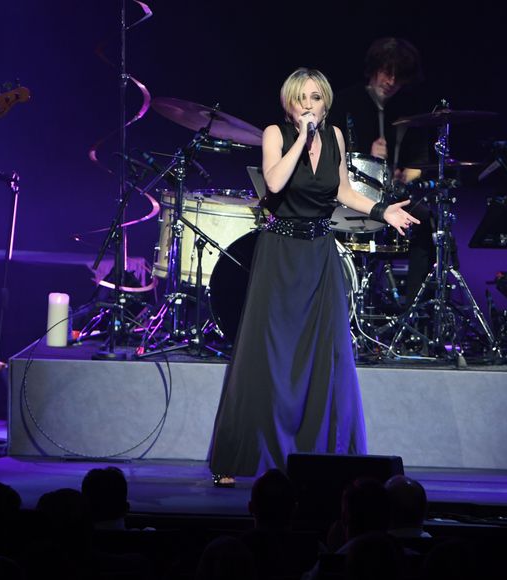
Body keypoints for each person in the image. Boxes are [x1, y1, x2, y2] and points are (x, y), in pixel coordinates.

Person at [208, 67, 419, 486]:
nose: (309, 105)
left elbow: (341, 191)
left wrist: (382, 210)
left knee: (323, 352)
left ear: (325, 103)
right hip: (280, 254)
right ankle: (244, 453)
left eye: (316, 98)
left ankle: (324, 454)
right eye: (301, 98)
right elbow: (274, 181)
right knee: (269, 353)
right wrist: (302, 139)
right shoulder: (276, 134)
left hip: (319, 253)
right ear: (290, 104)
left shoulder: (336, 137)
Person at [328, 37, 436, 306]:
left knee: (426, 225)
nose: (391, 82)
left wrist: (405, 174)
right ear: (374, 69)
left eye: (398, 78)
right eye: (387, 73)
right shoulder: (345, 102)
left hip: (392, 196)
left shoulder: (409, 109)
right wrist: (368, 154)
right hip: (352, 193)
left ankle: (414, 311)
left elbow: (419, 164)